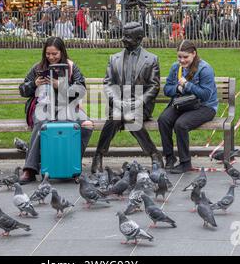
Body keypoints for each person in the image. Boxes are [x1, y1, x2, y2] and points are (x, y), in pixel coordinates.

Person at [91, 22, 163, 173]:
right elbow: (108, 83)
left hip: (140, 106)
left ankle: (99, 155)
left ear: (139, 38)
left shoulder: (151, 59)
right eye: (123, 35)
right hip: (118, 104)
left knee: (128, 116)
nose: (123, 39)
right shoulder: (114, 58)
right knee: (118, 115)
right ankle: (99, 156)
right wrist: (116, 101)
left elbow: (154, 86)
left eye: (128, 37)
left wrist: (139, 101)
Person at [19, 37, 94, 183]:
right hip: (43, 106)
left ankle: (69, 162)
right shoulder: (38, 68)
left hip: (68, 106)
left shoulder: (71, 67)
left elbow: (81, 90)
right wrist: (34, 84)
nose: (51, 57)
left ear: (62, 52)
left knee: (87, 126)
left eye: (55, 54)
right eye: (48, 54)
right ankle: (30, 168)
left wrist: (59, 85)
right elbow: (22, 90)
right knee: (42, 122)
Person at [158, 40, 218, 174]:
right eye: (179, 57)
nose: (182, 60)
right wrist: (178, 88)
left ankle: (185, 163)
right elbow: (167, 89)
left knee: (181, 124)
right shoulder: (176, 68)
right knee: (163, 120)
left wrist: (187, 85)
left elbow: (206, 95)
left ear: (194, 54)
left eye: (185, 57)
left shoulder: (205, 69)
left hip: (205, 107)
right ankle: (169, 157)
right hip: (182, 104)